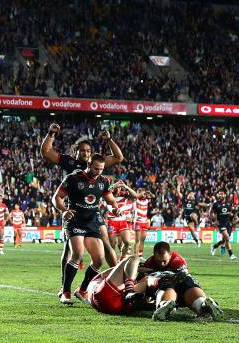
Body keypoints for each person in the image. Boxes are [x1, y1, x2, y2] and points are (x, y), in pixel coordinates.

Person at [41, 123, 123, 296]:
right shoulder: (70, 164)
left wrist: (108, 139)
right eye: (82, 150)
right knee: (71, 250)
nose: (85, 153)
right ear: (76, 152)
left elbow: (118, 157)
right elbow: (46, 152)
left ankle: (114, 276)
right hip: (74, 209)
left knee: (106, 242)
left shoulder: (97, 166)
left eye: (88, 150)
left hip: (93, 211)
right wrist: (51, 134)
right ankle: (65, 287)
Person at [52, 154, 122, 305]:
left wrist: (115, 208)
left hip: (91, 221)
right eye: (96, 168)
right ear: (88, 164)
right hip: (75, 219)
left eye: (101, 169)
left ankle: (82, 289)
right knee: (77, 253)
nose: (98, 171)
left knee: (99, 260)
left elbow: (110, 200)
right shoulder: (73, 178)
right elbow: (56, 198)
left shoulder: (104, 181)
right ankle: (65, 292)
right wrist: (64, 210)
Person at [144, 241, 223, 321]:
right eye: (159, 261)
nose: (162, 264)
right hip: (179, 286)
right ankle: (202, 305)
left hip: (176, 284)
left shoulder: (177, 259)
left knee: (169, 283)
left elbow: (183, 275)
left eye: (164, 261)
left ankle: (165, 305)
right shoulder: (149, 262)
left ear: (170, 254)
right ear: (154, 255)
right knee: (184, 285)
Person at [210, 190, 238, 260]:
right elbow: (211, 212)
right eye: (219, 194)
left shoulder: (229, 203)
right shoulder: (216, 204)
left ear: (225, 195)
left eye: (222, 194)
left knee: (224, 240)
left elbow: (233, 212)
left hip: (228, 224)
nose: (220, 195)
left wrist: (234, 217)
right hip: (220, 223)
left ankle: (214, 246)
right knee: (227, 238)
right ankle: (231, 255)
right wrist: (213, 221)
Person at [133, 188, 154, 257]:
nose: (144, 194)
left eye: (144, 193)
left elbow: (153, 197)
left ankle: (140, 255)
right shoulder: (136, 200)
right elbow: (136, 195)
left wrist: (149, 193)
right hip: (138, 221)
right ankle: (135, 255)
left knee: (143, 239)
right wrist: (141, 193)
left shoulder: (146, 200)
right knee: (137, 240)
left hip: (145, 222)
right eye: (143, 193)